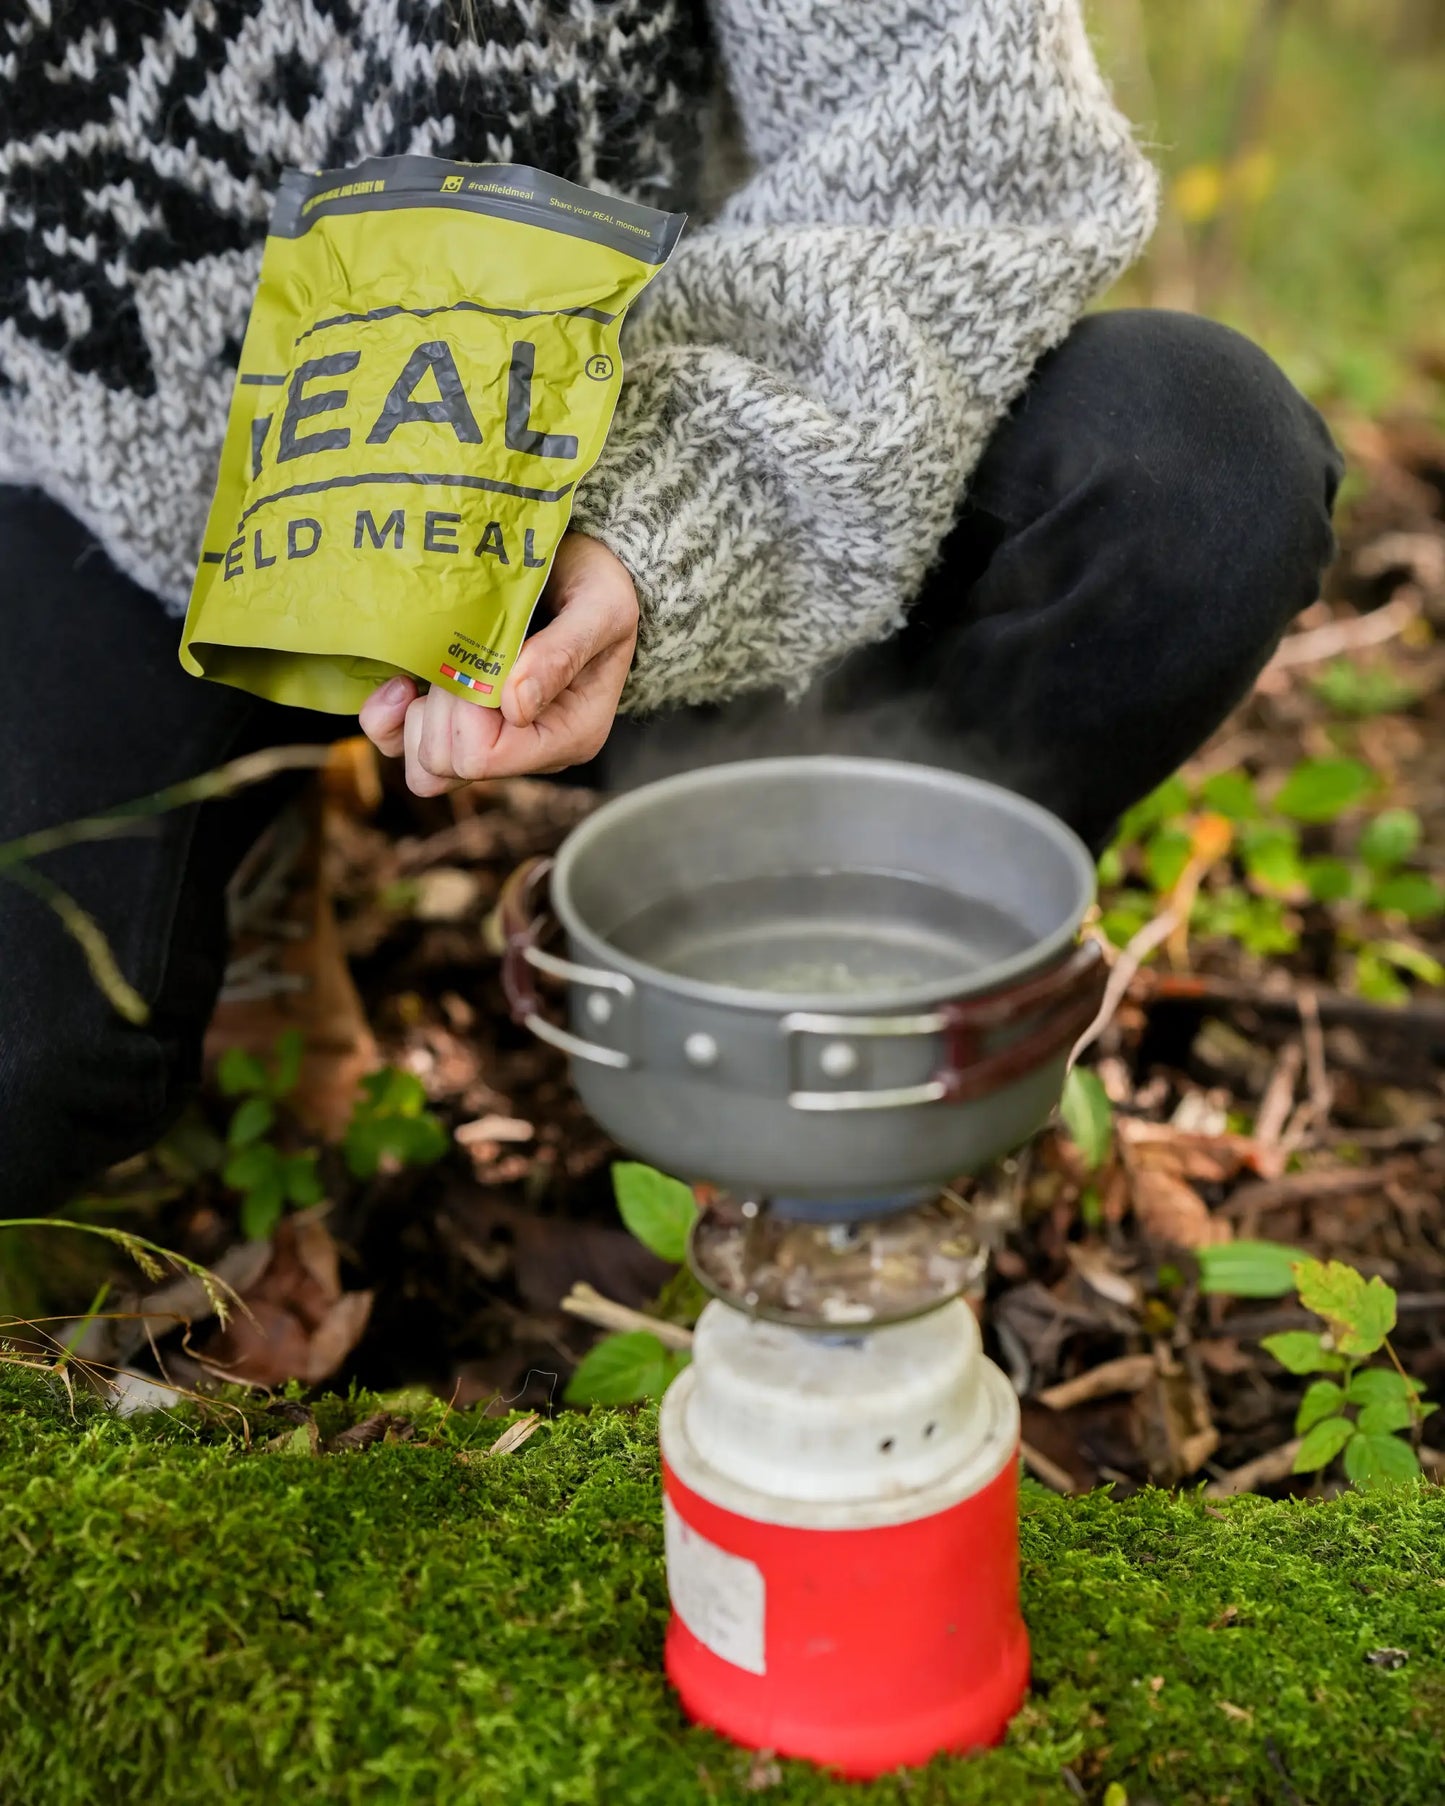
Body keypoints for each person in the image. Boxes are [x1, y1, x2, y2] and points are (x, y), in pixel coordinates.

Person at [0, 0, 1342, 1213]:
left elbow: (972, 143)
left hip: (644, 424)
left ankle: (824, 1038)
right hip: (94, 475)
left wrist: (674, 523)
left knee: (1196, 473)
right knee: (26, 1066)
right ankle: (259, 845)